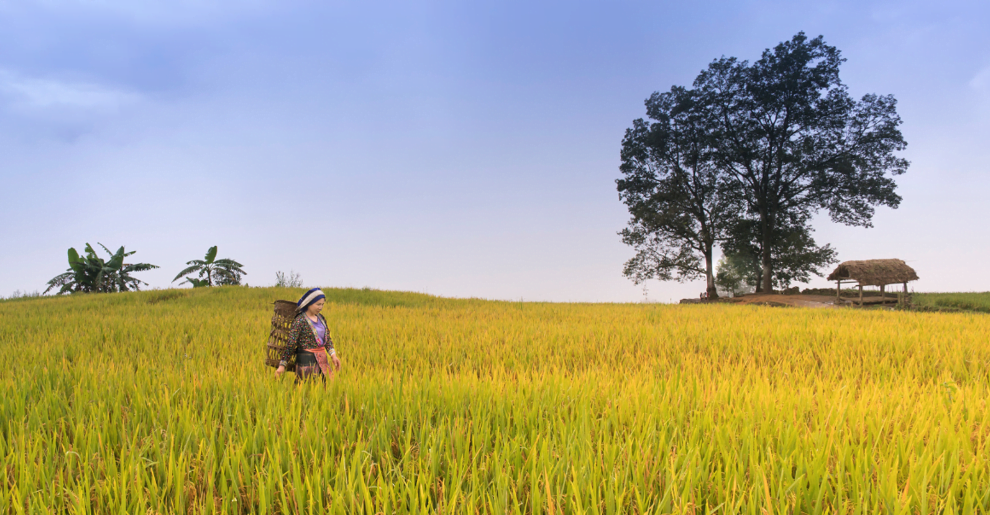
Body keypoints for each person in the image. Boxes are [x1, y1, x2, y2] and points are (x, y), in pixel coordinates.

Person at [274, 288, 341, 383]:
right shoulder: (300, 320)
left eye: (322, 304)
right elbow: (291, 344)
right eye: (318, 304)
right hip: (306, 361)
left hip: (322, 361)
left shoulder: (321, 318)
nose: (320, 307)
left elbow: (327, 339)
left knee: (324, 389)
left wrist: (333, 356)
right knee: (306, 389)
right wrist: (282, 365)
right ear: (309, 303)